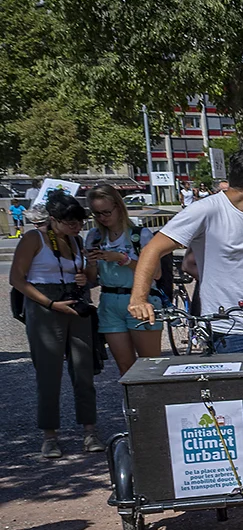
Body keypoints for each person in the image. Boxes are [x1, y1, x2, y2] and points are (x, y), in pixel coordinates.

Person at [131, 148, 243, 496]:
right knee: (241, 408)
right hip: (228, 330)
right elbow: (152, 249)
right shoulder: (205, 210)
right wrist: (139, 299)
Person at [10, 191, 99, 457]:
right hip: (45, 307)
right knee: (49, 374)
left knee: (84, 371)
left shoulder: (76, 240)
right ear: (53, 220)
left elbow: (89, 277)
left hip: (75, 304)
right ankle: (50, 436)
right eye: (70, 223)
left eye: (79, 223)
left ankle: (90, 431)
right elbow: (17, 279)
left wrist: (87, 273)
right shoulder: (33, 239)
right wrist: (49, 304)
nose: (76, 227)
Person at [83, 188, 163, 375]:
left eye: (106, 212)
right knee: (125, 367)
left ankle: (154, 403)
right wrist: (92, 263)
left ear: (119, 207)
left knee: (150, 366)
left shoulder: (140, 235)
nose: (102, 217)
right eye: (97, 213)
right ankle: (134, 404)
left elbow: (156, 273)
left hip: (140, 298)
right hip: (109, 301)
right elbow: (91, 278)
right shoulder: (94, 236)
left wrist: (123, 258)